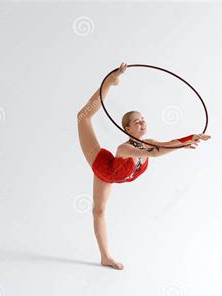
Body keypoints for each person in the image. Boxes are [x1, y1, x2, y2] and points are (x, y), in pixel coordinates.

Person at [77, 62, 211, 270]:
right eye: (137, 121)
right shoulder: (125, 149)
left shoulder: (150, 142)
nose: (142, 123)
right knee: (83, 117)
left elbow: (166, 144)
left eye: (143, 120)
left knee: (99, 211)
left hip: (114, 176)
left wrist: (191, 137)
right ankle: (110, 83)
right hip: (102, 166)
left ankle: (105, 258)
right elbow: (155, 153)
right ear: (127, 128)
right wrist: (182, 145)